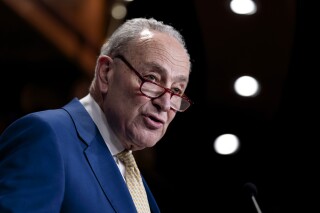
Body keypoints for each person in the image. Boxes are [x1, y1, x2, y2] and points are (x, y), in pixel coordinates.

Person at [0, 17, 193, 212]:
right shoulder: (46, 135)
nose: (165, 103)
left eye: (176, 90)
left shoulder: (134, 179)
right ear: (106, 72)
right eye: (152, 78)